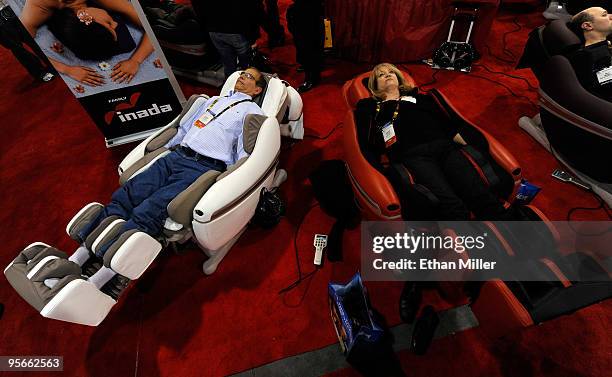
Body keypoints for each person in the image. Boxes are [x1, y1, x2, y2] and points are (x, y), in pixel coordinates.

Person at [76, 67, 267, 257]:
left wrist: (232, 180)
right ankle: (86, 244)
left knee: (149, 209)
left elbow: (245, 152)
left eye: (248, 76)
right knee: (128, 194)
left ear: (257, 90)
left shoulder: (252, 113)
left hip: (201, 167)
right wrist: (165, 150)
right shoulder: (213, 101)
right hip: (175, 156)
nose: (242, 77)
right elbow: (184, 129)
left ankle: (109, 258)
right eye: (242, 73)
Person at [355, 63, 512, 221]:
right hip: (414, 155)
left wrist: (469, 145)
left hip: (445, 147)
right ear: (374, 86)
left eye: (391, 72)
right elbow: (371, 141)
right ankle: (461, 241)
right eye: (381, 75)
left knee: (478, 193)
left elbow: (447, 125)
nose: (388, 75)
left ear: (398, 78)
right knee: (451, 204)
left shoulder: (420, 98)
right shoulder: (371, 107)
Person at [19, 0, 154, 86]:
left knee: (125, 42)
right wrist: (67, 69)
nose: (116, 23)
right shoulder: (37, 10)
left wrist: (136, 60)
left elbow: (149, 26)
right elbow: (24, 46)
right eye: (110, 23)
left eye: (110, 24)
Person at [192, 0, 261, 79]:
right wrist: (253, 36)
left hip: (213, 30)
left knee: (228, 61)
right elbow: (248, 9)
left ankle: (230, 84)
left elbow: (198, 10)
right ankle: (246, 85)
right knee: (246, 63)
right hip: (235, 29)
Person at [0, 1, 54, 82]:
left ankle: (52, 63)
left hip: (12, 8)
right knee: (17, 48)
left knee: (33, 38)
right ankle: (39, 72)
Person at [567, 6, 612, 101]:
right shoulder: (597, 56)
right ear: (587, 26)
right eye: (604, 15)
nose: (611, 16)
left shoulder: (601, 48)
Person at [287, 0, 324, 93]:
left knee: (309, 43)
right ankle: (310, 68)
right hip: (302, 10)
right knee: (302, 42)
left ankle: (312, 77)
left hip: (309, 12)